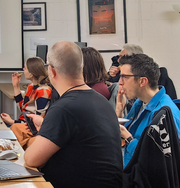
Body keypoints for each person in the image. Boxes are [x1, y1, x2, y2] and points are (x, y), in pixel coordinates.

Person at [23, 41, 123, 187]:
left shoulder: (63, 108)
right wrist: (47, 127)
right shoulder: (102, 102)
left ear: (52, 71)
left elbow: (31, 159)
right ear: (81, 67)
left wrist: (41, 134)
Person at [116, 53, 180, 168]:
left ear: (142, 81)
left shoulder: (165, 114)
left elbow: (158, 159)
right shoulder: (140, 102)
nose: (120, 82)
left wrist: (128, 138)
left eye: (125, 77)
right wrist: (119, 112)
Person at [0, 57, 51, 126]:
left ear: (31, 74)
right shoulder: (31, 86)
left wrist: (12, 122)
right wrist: (16, 86)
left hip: (29, 128)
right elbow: (24, 108)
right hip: (23, 123)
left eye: (25, 68)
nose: (23, 69)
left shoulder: (43, 91)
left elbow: (37, 121)